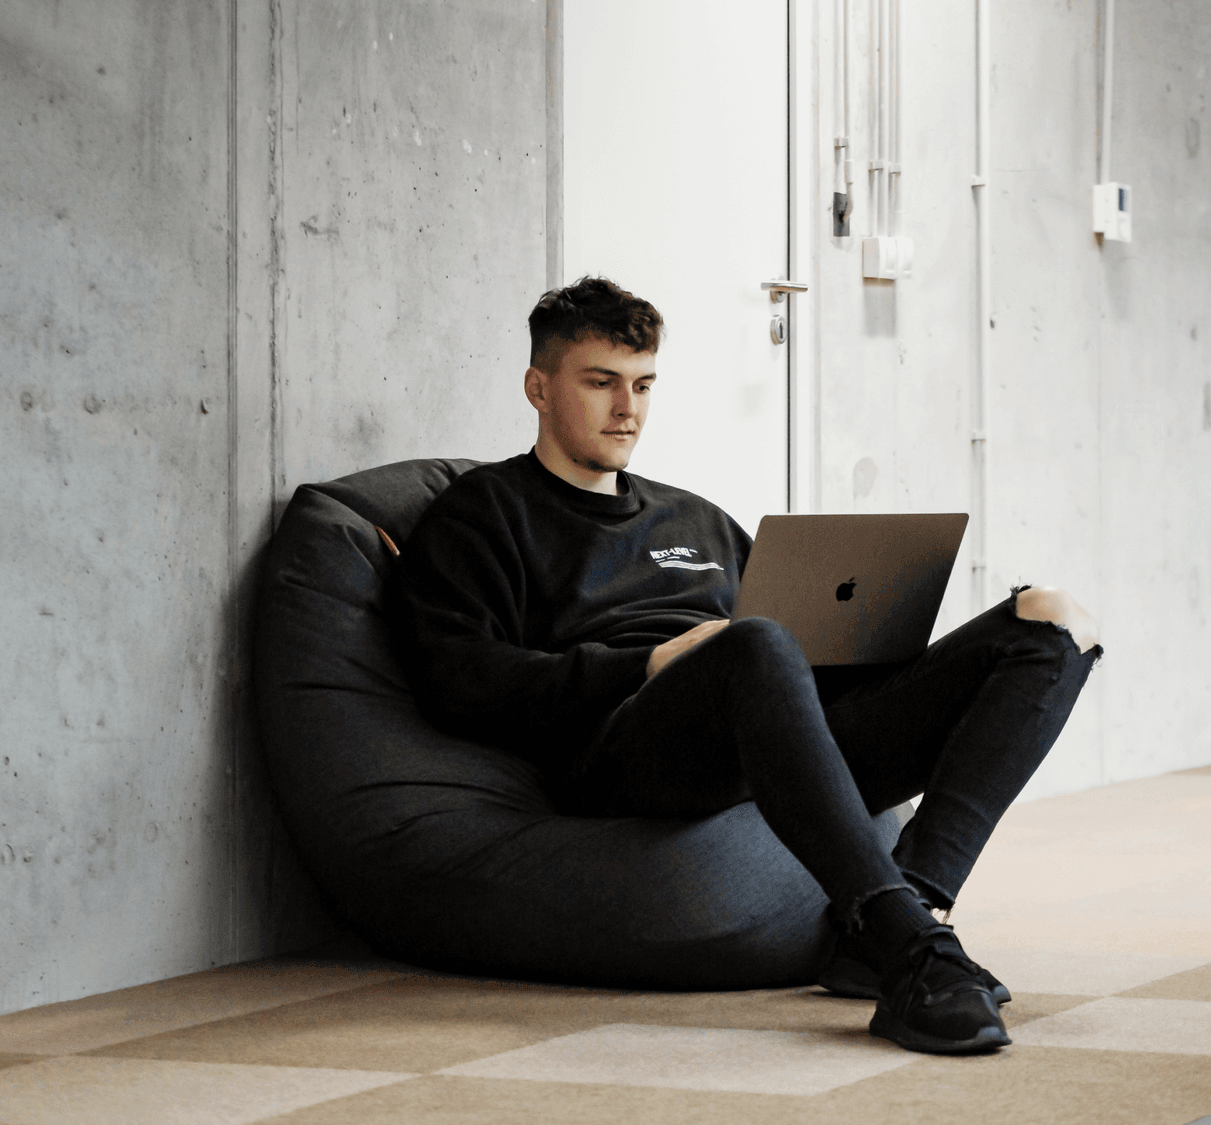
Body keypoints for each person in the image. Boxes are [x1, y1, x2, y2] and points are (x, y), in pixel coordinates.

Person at [394, 277, 1101, 1055]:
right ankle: (906, 950)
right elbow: (459, 677)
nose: (627, 407)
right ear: (538, 386)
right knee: (754, 642)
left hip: (768, 730)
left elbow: (791, 653)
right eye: (600, 383)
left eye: (643, 384)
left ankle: (910, 912)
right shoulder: (485, 512)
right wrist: (651, 660)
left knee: (1051, 621)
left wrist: (867, 653)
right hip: (627, 746)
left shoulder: (694, 516)